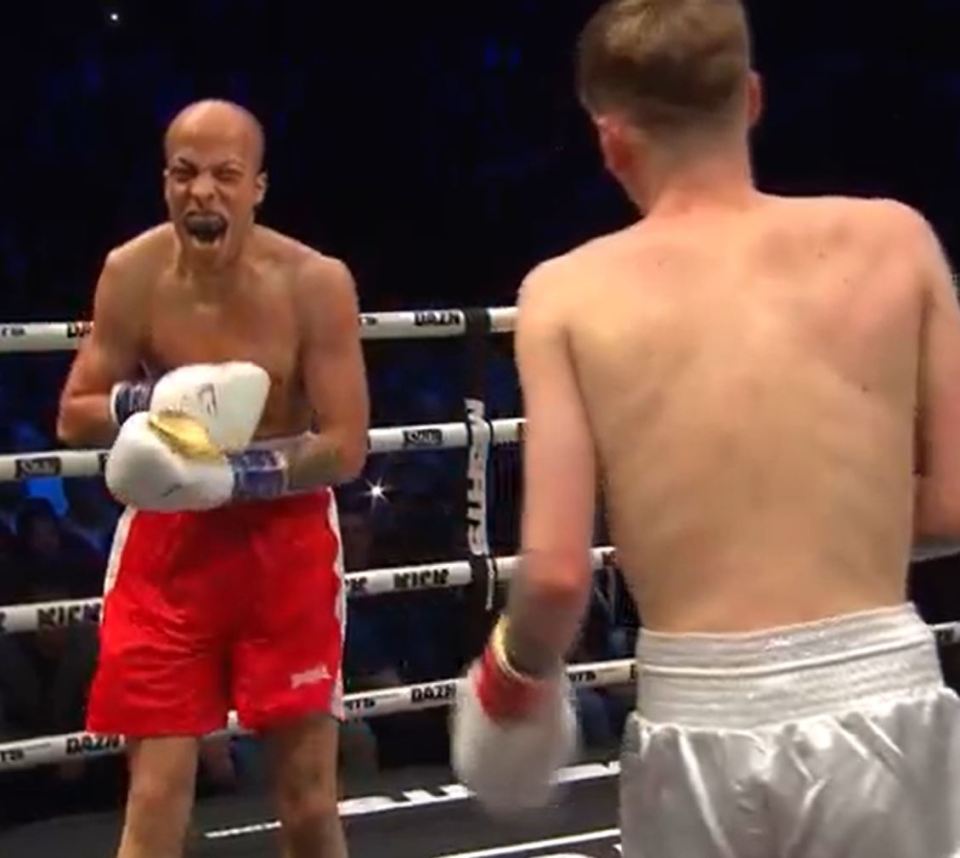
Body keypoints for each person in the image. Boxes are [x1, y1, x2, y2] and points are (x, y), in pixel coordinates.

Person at [451, 1, 960, 855]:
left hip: (701, 717)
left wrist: (507, 682)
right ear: (752, 98)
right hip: (884, 701)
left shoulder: (568, 293)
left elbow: (556, 576)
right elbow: (951, 503)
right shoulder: (897, 240)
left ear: (610, 139)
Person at [57, 99, 369, 858]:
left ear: (256, 187)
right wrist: (152, 402)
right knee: (156, 796)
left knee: (306, 800)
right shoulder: (132, 273)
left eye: (225, 175)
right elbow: (75, 411)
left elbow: (346, 444)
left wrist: (240, 476)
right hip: (171, 543)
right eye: (185, 173)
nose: (203, 192)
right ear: (165, 181)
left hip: (286, 541)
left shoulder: (312, 282)